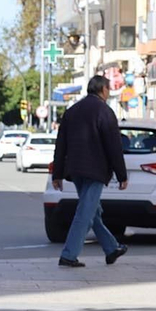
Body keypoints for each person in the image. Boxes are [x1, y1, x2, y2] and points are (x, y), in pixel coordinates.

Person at [52, 74, 130, 268]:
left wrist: (58, 173)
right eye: (108, 89)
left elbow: (60, 144)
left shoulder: (72, 111)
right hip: (96, 170)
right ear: (103, 90)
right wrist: (122, 175)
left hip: (76, 170)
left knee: (92, 211)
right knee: (85, 213)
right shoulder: (104, 111)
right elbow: (114, 146)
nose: (109, 93)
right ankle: (69, 255)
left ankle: (112, 248)